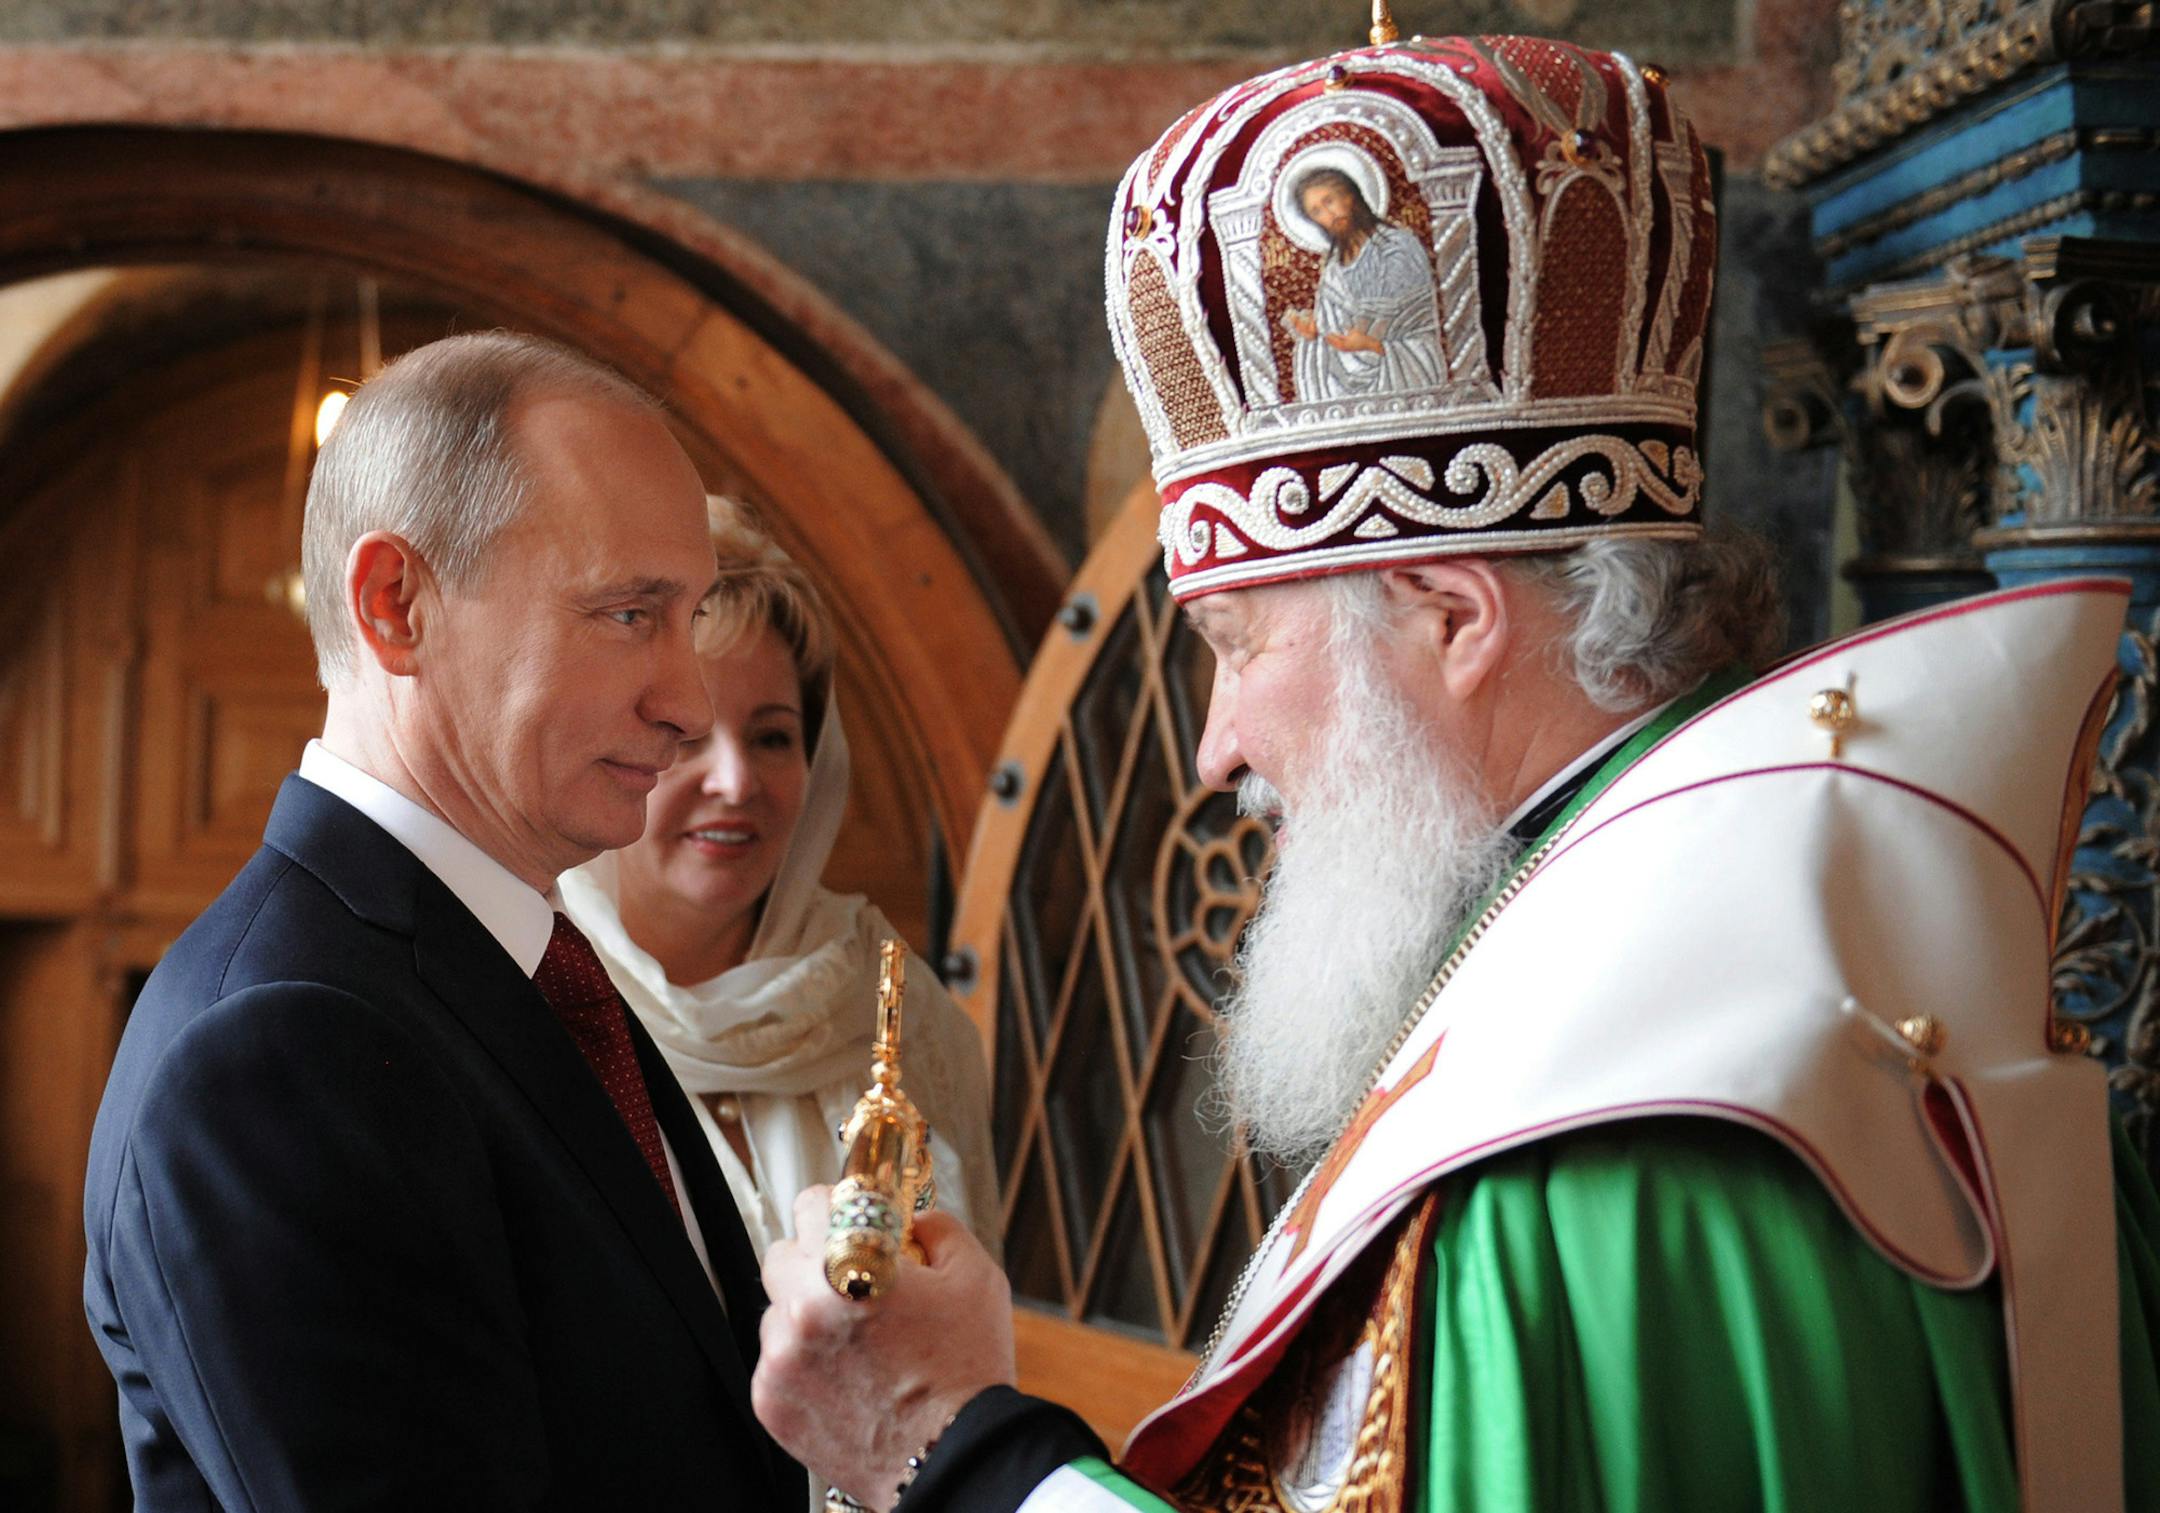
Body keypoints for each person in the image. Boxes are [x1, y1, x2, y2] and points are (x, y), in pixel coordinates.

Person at [747, 34, 2160, 1513]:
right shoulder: (1842, 930)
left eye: (1233, 640)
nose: (1217, 744)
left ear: (1449, 619)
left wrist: (948, 1444)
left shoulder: (1574, 1136)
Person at [83, 331, 802, 1509]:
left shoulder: (523, 960)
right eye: (629, 615)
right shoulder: (277, 1048)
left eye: (691, 617)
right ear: (395, 605)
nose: (685, 703)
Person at [559, 498, 998, 1260]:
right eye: (686, 737)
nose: (735, 780)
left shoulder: (896, 1004)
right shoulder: (544, 996)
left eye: (771, 736)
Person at [1284, 166, 1448, 403]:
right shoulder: (1333, 269)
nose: (1328, 215)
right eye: (1317, 211)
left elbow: (1414, 320)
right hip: (1346, 384)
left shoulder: (1397, 247)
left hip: (1403, 369)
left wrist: (1372, 345)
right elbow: (1335, 326)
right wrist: (1315, 332)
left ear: (1349, 195)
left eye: (1329, 201)